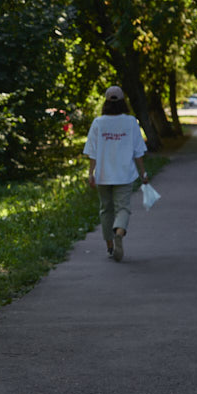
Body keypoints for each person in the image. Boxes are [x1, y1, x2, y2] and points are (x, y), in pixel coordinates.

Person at [83, 86, 149, 262]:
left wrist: (91, 174)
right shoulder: (131, 122)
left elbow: (92, 152)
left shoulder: (98, 123)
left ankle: (110, 247)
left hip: (103, 174)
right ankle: (119, 231)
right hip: (124, 174)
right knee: (123, 208)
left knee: (106, 210)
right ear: (122, 102)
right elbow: (138, 152)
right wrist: (143, 174)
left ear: (106, 102)